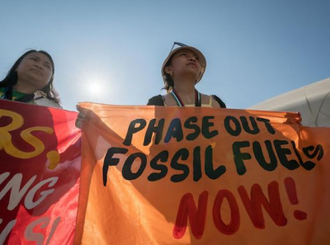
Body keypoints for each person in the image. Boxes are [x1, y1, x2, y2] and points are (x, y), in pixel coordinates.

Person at [147, 42, 226, 108]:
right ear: (168, 69)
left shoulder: (216, 102)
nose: (193, 59)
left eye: (196, 58)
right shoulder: (156, 103)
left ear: (199, 73)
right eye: (184, 55)